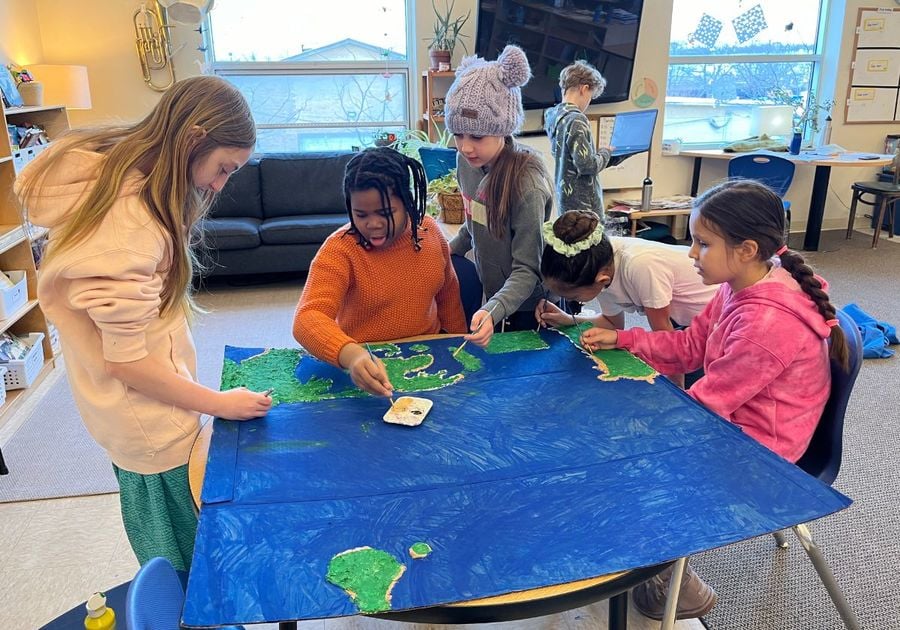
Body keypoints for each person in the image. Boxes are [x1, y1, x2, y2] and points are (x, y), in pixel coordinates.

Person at [14, 76, 272, 572]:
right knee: (185, 563)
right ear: (193, 137)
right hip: (151, 425)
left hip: (137, 413)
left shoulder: (123, 180)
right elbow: (128, 363)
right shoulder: (127, 232)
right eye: (222, 169)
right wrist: (221, 405)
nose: (219, 186)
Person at [579, 179, 848, 620]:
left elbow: (707, 406)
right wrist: (624, 339)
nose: (690, 254)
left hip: (764, 451)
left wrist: (634, 425)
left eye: (702, 244)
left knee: (627, 460)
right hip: (738, 423)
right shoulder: (734, 287)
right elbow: (689, 349)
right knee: (620, 437)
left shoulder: (766, 323)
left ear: (746, 249)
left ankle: (673, 581)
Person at [293, 147, 467, 397]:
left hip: (429, 358)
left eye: (385, 213)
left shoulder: (429, 232)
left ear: (407, 203)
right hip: (366, 366)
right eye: (360, 214)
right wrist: (351, 355)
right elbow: (307, 318)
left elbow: (448, 295)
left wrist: (458, 344)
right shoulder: (340, 248)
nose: (373, 224)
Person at [445, 44, 554, 347]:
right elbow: (473, 223)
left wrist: (493, 309)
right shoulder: (466, 162)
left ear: (503, 129)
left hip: (531, 304)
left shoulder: (526, 184)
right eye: (458, 134)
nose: (465, 147)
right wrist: (445, 251)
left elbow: (527, 268)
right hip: (494, 294)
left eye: (477, 137)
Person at [535, 210, 719, 386]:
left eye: (574, 297)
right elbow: (611, 323)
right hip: (687, 322)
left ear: (601, 280)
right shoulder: (598, 263)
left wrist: (677, 389)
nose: (573, 301)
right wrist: (566, 319)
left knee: (706, 391)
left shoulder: (640, 266)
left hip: (721, 318)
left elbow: (666, 338)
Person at [544, 60, 612, 219]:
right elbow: (587, 165)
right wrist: (605, 153)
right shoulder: (576, 120)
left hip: (566, 201)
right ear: (584, 88)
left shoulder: (553, 116)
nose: (589, 102)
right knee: (592, 244)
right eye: (591, 96)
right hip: (585, 207)